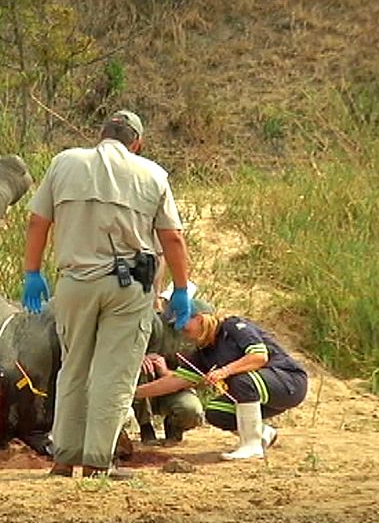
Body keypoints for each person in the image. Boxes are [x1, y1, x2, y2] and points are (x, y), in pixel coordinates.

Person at [21, 109, 193, 480]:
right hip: (127, 289)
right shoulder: (151, 174)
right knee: (113, 375)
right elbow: (172, 238)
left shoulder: (64, 163)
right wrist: (180, 288)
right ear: (137, 143)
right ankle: (99, 461)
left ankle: (64, 458)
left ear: (100, 135)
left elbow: (37, 221)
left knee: (73, 369)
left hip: (75, 283)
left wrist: (32, 272)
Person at [134, 308, 309, 460]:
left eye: (185, 327)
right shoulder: (203, 352)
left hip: (288, 381)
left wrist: (224, 371)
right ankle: (263, 433)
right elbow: (176, 381)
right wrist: (132, 393)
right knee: (216, 411)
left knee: (241, 380)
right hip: (257, 391)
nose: (182, 333)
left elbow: (258, 357)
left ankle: (251, 445)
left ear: (200, 318)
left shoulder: (233, 327)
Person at [133, 294, 212, 446]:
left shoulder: (203, 339)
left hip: (175, 388)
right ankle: (145, 427)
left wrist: (166, 372)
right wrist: (140, 358)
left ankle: (174, 428)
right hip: (144, 385)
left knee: (191, 410)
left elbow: (200, 380)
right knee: (141, 370)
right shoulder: (154, 323)